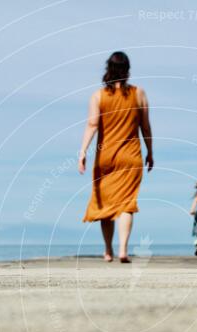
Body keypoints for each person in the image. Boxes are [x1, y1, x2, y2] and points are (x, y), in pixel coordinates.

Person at [79, 51, 153, 263]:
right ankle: (123, 250)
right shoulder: (139, 94)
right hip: (131, 157)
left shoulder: (98, 96)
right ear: (127, 69)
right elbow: (145, 127)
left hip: (106, 157)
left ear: (108, 69)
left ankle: (108, 250)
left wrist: (83, 151)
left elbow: (92, 125)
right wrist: (150, 152)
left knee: (106, 206)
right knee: (127, 204)